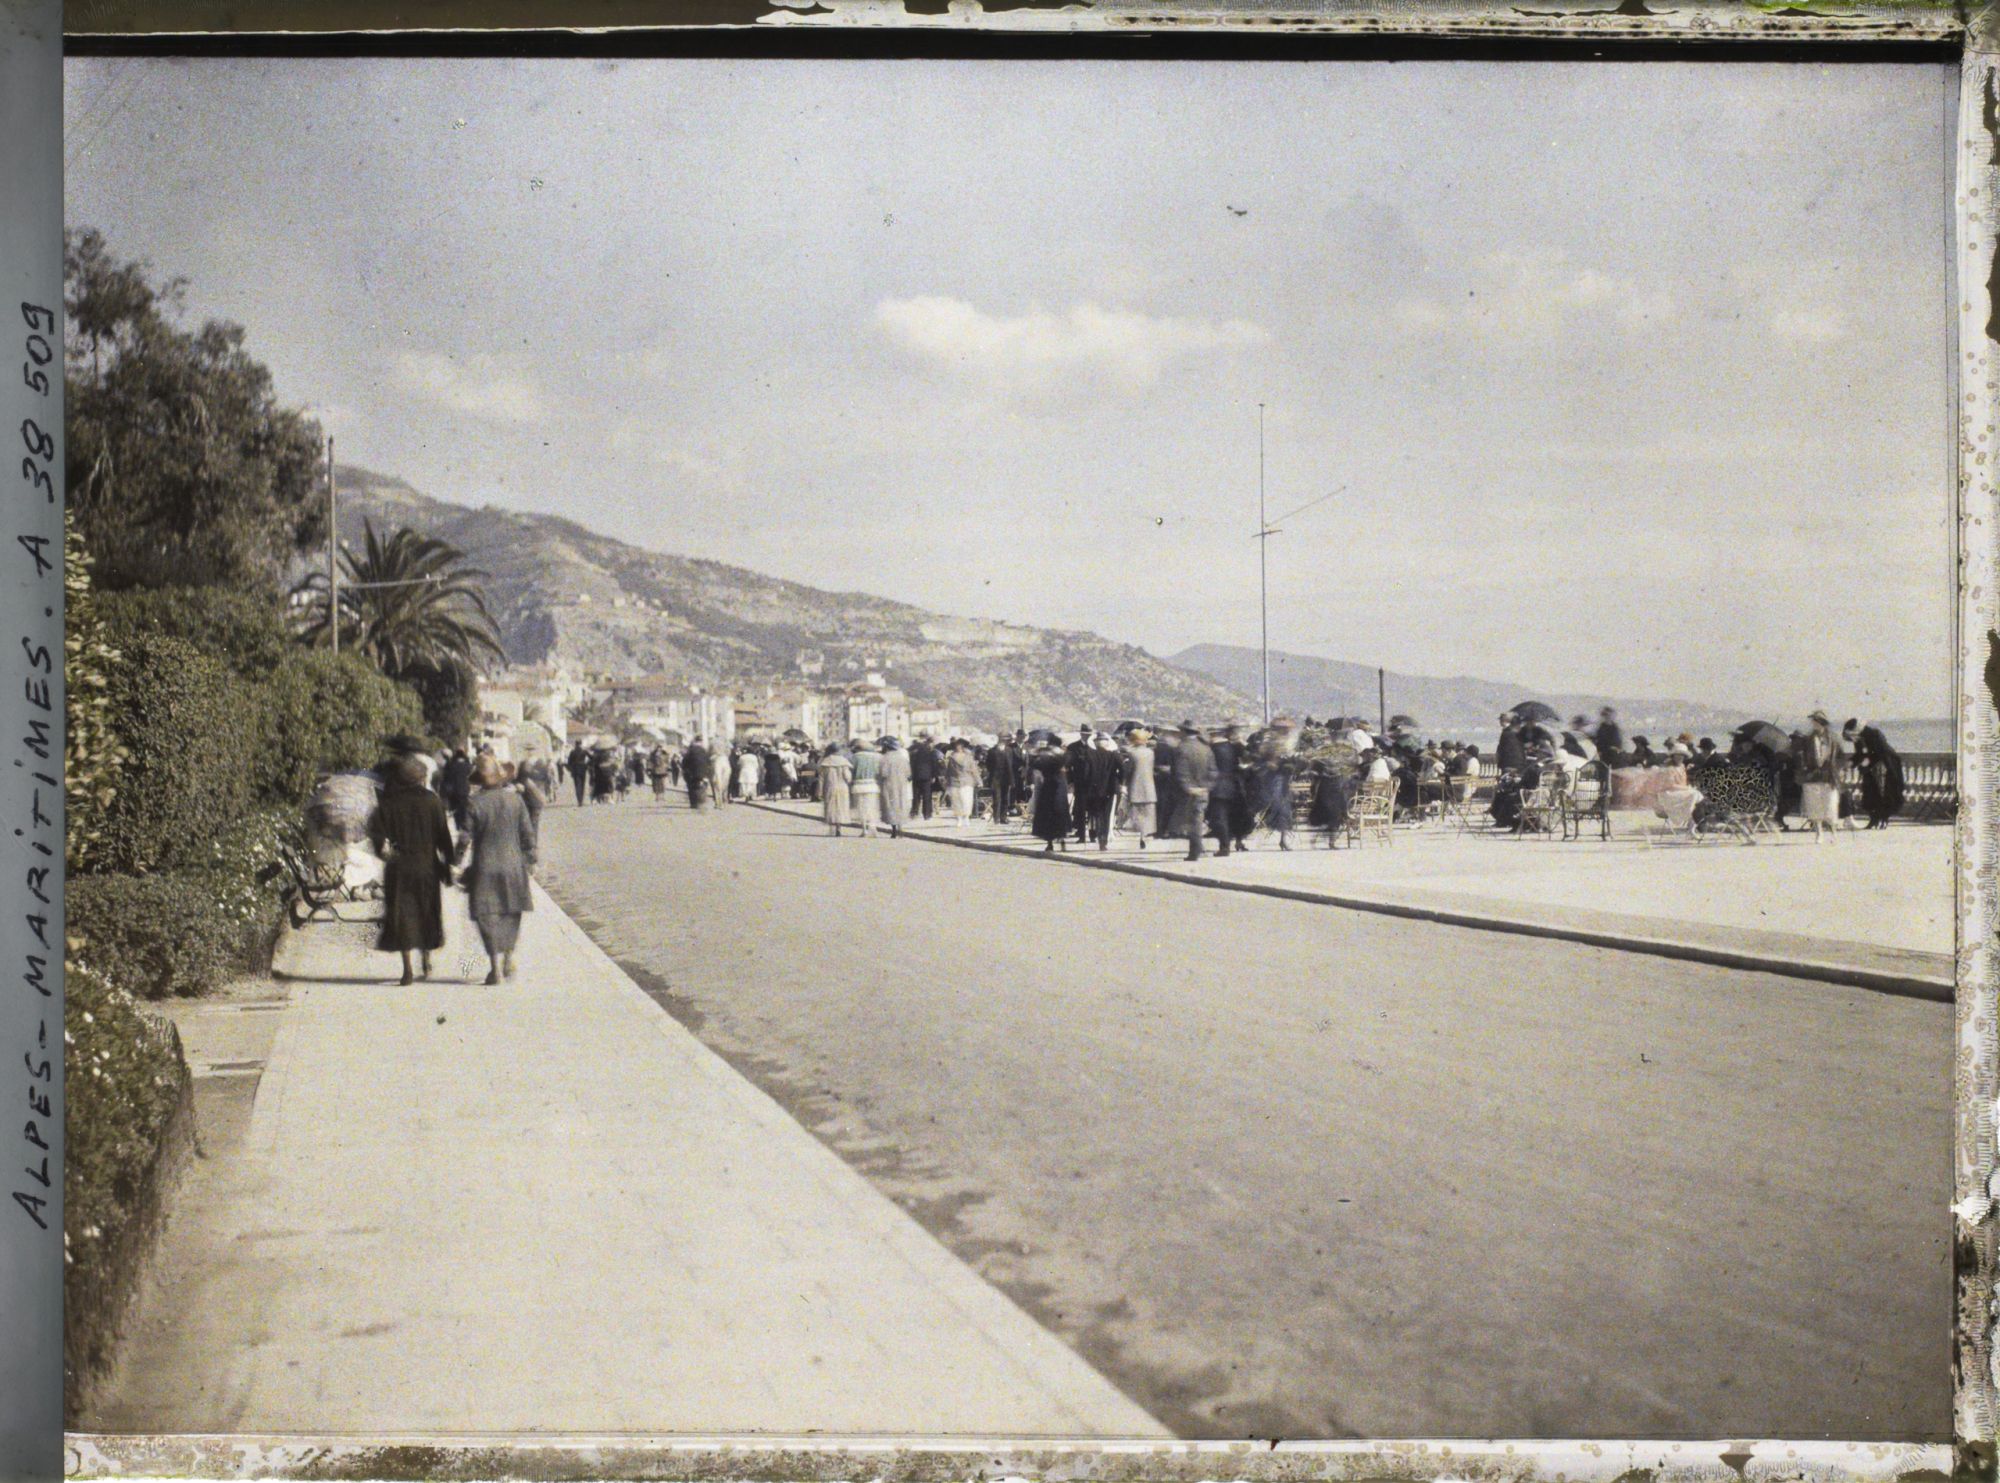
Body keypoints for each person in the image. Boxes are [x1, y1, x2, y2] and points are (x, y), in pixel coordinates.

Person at [367, 754, 453, 985]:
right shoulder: (433, 801)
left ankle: (407, 970)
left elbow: (375, 833)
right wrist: (450, 860)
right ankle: (426, 958)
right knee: (426, 910)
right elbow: (443, 836)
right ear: (422, 778)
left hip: (399, 866)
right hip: (427, 865)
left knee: (402, 915)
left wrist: (382, 852)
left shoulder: (388, 803)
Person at [460, 754, 537, 985]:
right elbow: (527, 834)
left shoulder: (474, 803)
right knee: (512, 911)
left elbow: (465, 837)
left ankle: (495, 969)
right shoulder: (515, 801)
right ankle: (509, 956)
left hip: (485, 866)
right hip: (513, 865)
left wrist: (456, 860)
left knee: (486, 915)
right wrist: (531, 858)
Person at [1844, 719, 1905, 828]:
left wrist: (1869, 761)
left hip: (1886, 766)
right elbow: (1859, 754)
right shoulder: (1858, 738)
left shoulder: (1875, 734)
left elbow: (1883, 753)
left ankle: (1884, 819)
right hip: (1869, 769)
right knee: (1870, 794)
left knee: (1885, 793)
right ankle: (1873, 819)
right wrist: (1851, 762)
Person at [1173, 721, 1218, 861]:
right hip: (1203, 789)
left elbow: (1180, 771)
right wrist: (1206, 786)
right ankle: (1197, 848)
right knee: (1198, 817)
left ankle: (1195, 850)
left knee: (1193, 820)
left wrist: (1188, 787)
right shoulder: (1205, 748)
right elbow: (1213, 771)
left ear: (1184, 732)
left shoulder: (1182, 748)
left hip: (1189, 791)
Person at [1797, 710, 1843, 839]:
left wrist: (1836, 768)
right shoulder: (1808, 739)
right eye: (1813, 722)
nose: (1813, 724)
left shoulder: (1833, 739)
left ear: (1822, 723)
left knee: (1831, 804)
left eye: (1815, 722)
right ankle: (1819, 833)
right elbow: (1802, 755)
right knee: (1814, 805)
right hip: (1813, 776)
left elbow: (1841, 756)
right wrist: (1804, 768)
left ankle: (1833, 832)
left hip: (1829, 776)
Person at [1029, 739, 1071, 852]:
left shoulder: (1045, 757)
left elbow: (1035, 765)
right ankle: (1062, 839)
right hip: (1060, 787)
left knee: (1048, 815)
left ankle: (1050, 843)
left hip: (1047, 787)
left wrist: (1035, 752)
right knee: (1060, 813)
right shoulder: (1063, 756)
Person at [1123, 729, 1157, 849]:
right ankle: (1145, 835)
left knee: (1137, 814)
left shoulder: (1132, 753)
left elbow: (1128, 770)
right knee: (1148, 814)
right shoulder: (1150, 753)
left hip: (1135, 786)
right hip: (1149, 786)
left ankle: (1140, 836)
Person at [1064, 725, 1096, 842]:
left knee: (1092, 811)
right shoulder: (1073, 747)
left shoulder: (1094, 747)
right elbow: (1067, 766)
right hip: (1080, 783)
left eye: (1089, 734)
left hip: (1093, 784)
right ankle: (1081, 835)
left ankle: (1093, 835)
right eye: (1085, 734)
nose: (1087, 736)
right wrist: (1070, 781)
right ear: (1081, 734)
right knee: (1081, 810)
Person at [878, 737, 912, 839]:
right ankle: (901, 827)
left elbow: (883, 773)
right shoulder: (903, 758)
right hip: (901, 785)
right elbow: (908, 773)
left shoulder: (884, 758)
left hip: (889, 784)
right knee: (901, 804)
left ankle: (893, 830)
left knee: (891, 805)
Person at [819, 743, 853, 836]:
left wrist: (819, 791)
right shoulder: (844, 761)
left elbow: (821, 779)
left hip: (830, 786)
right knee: (840, 807)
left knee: (831, 807)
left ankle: (832, 829)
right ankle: (839, 828)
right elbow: (848, 777)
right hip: (842, 787)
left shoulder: (825, 762)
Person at [945, 739, 980, 825]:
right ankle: (959, 818)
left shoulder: (969, 757)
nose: (958, 747)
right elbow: (948, 771)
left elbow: (974, 770)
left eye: (960, 745)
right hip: (954, 781)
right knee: (956, 800)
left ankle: (966, 817)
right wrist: (947, 781)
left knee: (967, 800)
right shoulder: (951, 758)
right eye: (957, 745)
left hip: (967, 780)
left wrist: (978, 780)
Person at [909, 735, 941, 821]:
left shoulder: (914, 752)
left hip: (916, 776)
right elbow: (934, 765)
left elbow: (911, 764)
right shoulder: (931, 752)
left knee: (916, 795)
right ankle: (927, 814)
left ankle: (914, 812)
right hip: (927, 776)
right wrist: (934, 776)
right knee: (927, 796)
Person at [987, 736, 1018, 823]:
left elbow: (1011, 765)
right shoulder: (992, 751)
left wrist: (1012, 780)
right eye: (1002, 739)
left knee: (1005, 798)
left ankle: (1003, 817)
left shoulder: (1009, 750)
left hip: (1006, 778)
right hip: (995, 778)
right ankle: (996, 818)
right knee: (996, 798)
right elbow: (988, 765)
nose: (1003, 741)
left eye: (1005, 740)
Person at [682, 737, 711, 810]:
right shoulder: (704, 751)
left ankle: (694, 803)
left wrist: (685, 769)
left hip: (692, 773)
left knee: (691, 787)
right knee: (703, 787)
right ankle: (702, 802)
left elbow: (685, 762)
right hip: (704, 773)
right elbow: (708, 761)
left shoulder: (690, 751)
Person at [565, 742, 590, 806]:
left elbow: (569, 762)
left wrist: (570, 769)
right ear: (581, 744)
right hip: (583, 769)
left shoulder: (572, 752)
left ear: (575, 744)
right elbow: (592, 758)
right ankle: (581, 800)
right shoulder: (584, 751)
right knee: (582, 785)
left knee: (577, 785)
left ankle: (579, 801)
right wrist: (587, 764)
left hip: (575, 770)